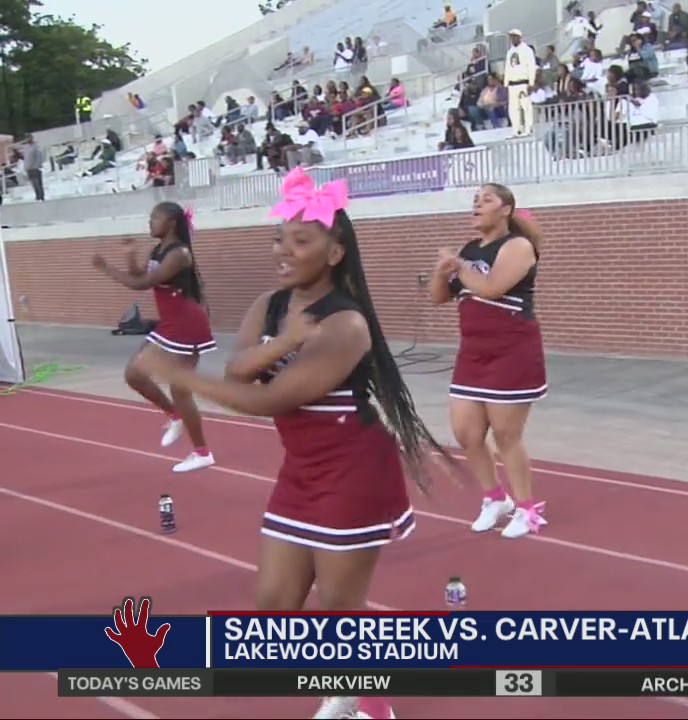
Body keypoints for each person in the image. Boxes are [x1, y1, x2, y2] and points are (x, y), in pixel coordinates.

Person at [135, 168, 455, 720]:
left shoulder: (347, 323)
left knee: (339, 607)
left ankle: (366, 704)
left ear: (334, 253)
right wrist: (282, 340)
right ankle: (348, 691)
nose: (284, 250)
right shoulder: (272, 304)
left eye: (300, 241)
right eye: (278, 238)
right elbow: (237, 372)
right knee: (274, 606)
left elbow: (269, 400)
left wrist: (179, 375)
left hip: (353, 469)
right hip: (303, 468)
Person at [428, 183, 547, 540]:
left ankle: (527, 510)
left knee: (506, 435)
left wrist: (459, 265)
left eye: (487, 199)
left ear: (506, 209)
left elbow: (492, 288)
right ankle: (495, 499)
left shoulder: (518, 246)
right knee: (466, 433)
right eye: (475, 200)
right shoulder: (469, 250)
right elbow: (439, 297)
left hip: (511, 351)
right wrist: (441, 270)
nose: (478, 204)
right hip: (473, 353)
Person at [91, 202, 215, 473]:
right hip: (169, 323)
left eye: (154, 218)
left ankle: (202, 452)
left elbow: (142, 284)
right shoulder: (159, 249)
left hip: (186, 324)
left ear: (170, 223)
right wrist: (130, 256)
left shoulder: (179, 254)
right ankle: (174, 416)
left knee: (180, 389)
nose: (150, 222)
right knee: (134, 375)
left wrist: (105, 268)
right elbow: (140, 275)